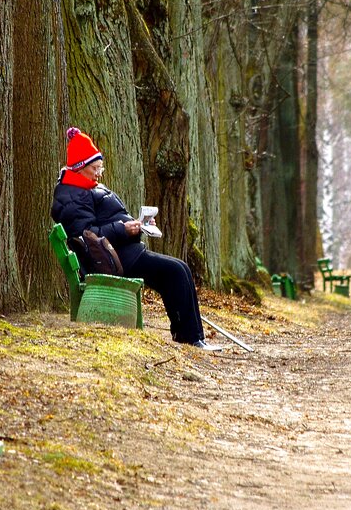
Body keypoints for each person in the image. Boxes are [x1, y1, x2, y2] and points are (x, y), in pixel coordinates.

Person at [51, 127, 222, 351]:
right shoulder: (72, 195)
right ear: (80, 167)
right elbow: (87, 235)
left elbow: (103, 224)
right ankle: (190, 338)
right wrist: (124, 229)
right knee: (176, 272)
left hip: (124, 253)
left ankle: (191, 335)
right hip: (115, 261)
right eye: (94, 168)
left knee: (180, 268)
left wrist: (138, 226)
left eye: (100, 167)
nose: (99, 173)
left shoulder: (84, 189)